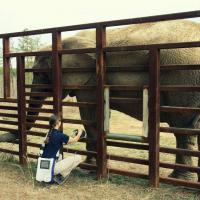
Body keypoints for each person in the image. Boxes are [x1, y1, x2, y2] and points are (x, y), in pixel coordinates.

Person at [42, 114, 84, 184]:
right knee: (79, 158)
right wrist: (80, 133)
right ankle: (58, 175)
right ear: (58, 123)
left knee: (60, 155)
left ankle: (54, 174)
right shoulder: (59, 135)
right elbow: (74, 140)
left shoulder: (48, 134)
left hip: (43, 166)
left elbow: (58, 142)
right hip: (52, 168)